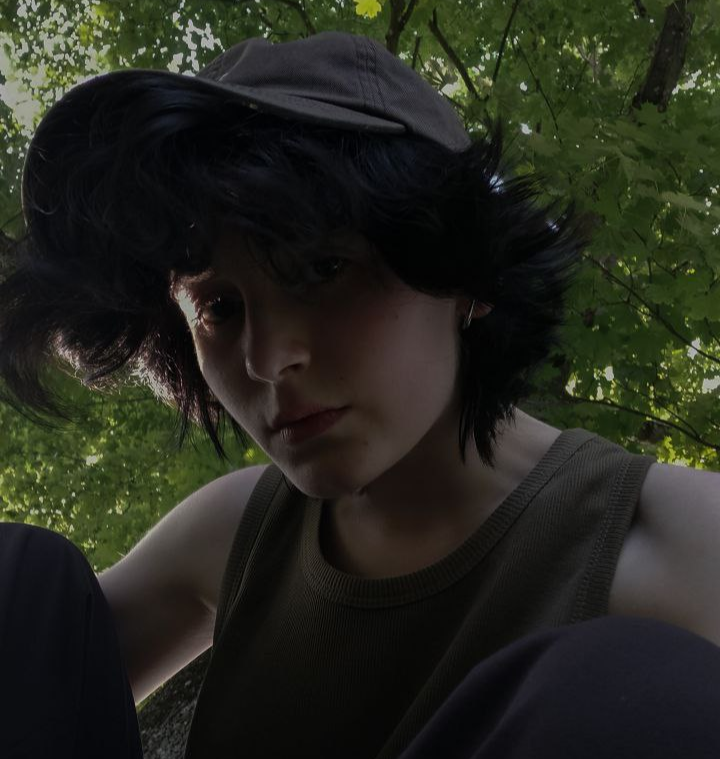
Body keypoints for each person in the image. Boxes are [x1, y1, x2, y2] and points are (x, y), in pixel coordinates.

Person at [1, 29, 719, 759]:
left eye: (324, 269)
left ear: (465, 274)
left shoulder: (685, 539)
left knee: (625, 684)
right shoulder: (236, 529)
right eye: (220, 307)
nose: (268, 360)